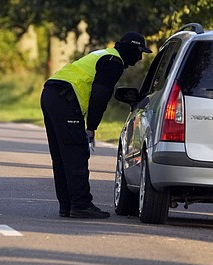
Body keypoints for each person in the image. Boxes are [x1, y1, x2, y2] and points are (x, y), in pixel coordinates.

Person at [40, 32, 152, 218]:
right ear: (129, 49)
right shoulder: (113, 62)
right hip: (64, 98)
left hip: (51, 93)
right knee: (76, 152)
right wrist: (91, 126)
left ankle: (67, 205)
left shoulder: (103, 54)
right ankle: (81, 205)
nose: (139, 58)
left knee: (62, 155)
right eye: (138, 52)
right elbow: (100, 95)